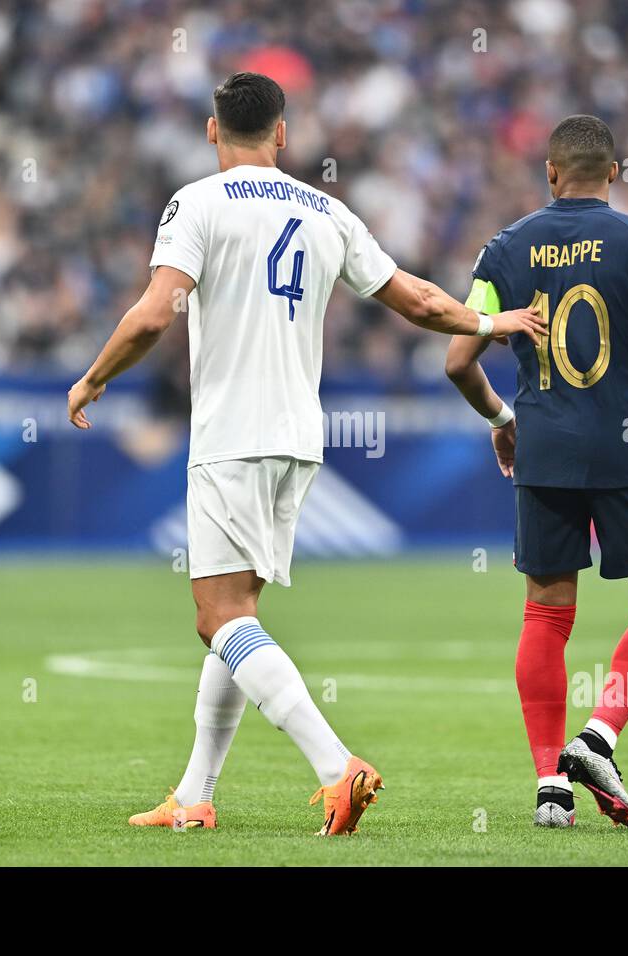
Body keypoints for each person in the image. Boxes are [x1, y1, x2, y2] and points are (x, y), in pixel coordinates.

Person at [67, 72, 545, 835]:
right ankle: (194, 795)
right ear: (283, 133)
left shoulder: (197, 203)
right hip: (298, 439)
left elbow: (157, 313)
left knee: (217, 618)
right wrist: (491, 325)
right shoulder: (326, 210)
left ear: (212, 131)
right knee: (237, 613)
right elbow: (419, 300)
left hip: (232, 435)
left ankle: (337, 767)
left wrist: (93, 376)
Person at [445, 114, 628, 828]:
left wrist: (502, 421)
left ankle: (550, 785)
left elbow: (458, 359)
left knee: (546, 615)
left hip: (543, 449)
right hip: (625, 447)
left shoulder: (503, 249)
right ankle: (598, 737)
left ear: (549, 172)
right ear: (615, 173)